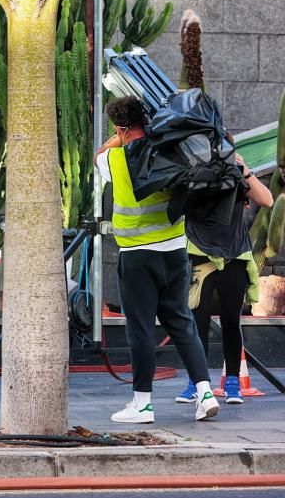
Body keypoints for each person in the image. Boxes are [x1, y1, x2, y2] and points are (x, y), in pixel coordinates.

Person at [95, 96, 219, 423]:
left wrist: (117, 138)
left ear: (121, 129)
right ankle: (205, 393)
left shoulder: (115, 158)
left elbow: (99, 156)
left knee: (141, 329)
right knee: (181, 322)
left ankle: (142, 404)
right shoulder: (170, 152)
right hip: (175, 252)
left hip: (137, 256)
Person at [177, 144, 273, 404]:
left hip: (234, 255)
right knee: (198, 321)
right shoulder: (192, 172)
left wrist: (245, 170)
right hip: (201, 254)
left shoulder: (236, 173)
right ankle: (196, 383)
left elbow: (267, 200)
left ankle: (233, 383)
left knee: (231, 319)